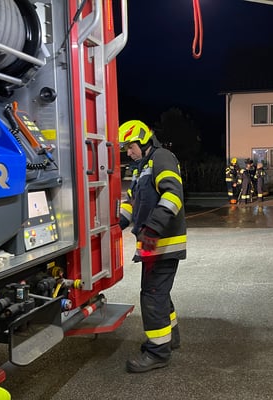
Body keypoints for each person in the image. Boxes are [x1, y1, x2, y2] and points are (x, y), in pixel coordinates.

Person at [118, 120, 186, 373]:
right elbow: (132, 201)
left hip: (162, 243)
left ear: (144, 141)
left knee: (152, 295)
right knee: (159, 292)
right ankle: (171, 338)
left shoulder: (162, 158)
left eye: (131, 146)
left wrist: (153, 228)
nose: (128, 152)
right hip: (152, 243)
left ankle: (158, 352)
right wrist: (118, 222)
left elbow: (173, 195)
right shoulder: (141, 167)